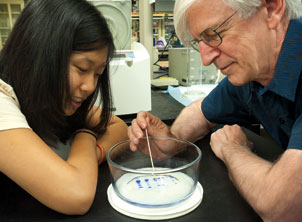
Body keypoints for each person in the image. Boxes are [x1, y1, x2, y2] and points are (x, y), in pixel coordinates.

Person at [128, 0, 302, 221]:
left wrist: (232, 148)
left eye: (213, 34)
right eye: (199, 42)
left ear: (271, 10)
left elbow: (282, 207)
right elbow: (202, 111)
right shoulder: (253, 71)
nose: (206, 58)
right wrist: (172, 141)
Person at [0, 0, 128, 215]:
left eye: (97, 74)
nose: (90, 86)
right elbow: (76, 195)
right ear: (40, 54)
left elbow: (117, 126)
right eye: (82, 68)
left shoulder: (49, 98)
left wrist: (88, 159)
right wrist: (86, 135)